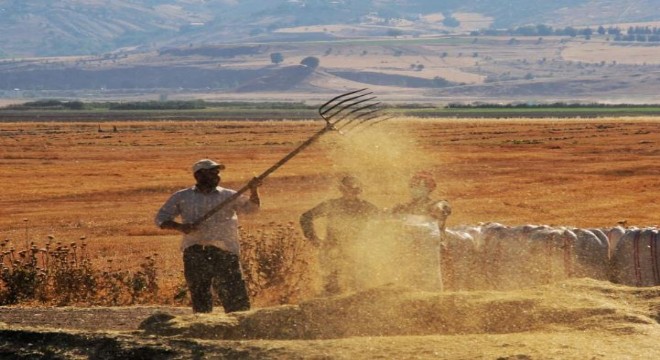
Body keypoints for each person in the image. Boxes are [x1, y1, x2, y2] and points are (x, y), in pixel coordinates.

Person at [155, 159, 261, 313]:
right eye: (211, 173)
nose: (216, 176)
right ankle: (203, 327)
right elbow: (161, 218)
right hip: (195, 251)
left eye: (216, 173)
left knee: (235, 295)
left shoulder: (229, 195)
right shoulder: (182, 196)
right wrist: (180, 227)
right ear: (198, 175)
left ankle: (241, 327)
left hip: (225, 250)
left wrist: (253, 190)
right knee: (200, 294)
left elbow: (252, 210)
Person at [300, 175, 379, 295]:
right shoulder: (333, 205)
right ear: (342, 190)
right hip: (333, 251)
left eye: (354, 188)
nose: (352, 192)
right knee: (332, 287)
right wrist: (313, 238)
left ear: (360, 190)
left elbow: (383, 223)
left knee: (359, 285)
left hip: (356, 252)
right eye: (348, 188)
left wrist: (373, 243)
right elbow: (306, 217)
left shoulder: (367, 207)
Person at [390, 171, 451, 291]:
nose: (415, 189)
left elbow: (443, 209)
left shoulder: (436, 204)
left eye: (419, 186)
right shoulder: (401, 207)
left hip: (429, 251)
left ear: (429, 189)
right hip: (407, 250)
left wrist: (440, 208)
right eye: (413, 186)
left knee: (430, 279)